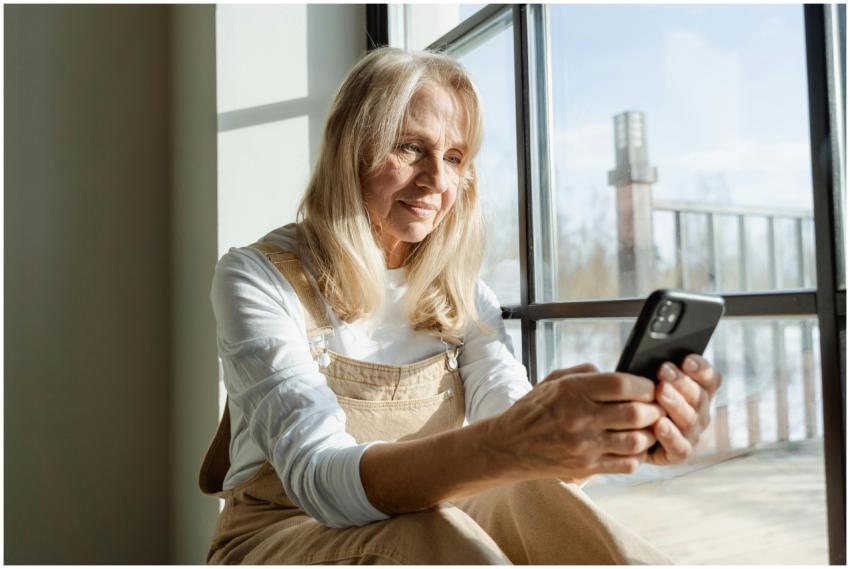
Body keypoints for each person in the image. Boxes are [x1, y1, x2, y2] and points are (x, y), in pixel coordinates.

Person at [199, 47, 723, 565]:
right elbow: (319, 480)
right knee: (434, 533)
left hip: (431, 514)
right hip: (280, 532)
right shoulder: (257, 276)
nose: (438, 181)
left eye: (454, 158)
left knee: (534, 498)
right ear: (349, 150)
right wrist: (512, 441)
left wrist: (613, 431)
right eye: (409, 148)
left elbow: (514, 436)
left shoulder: (464, 293)